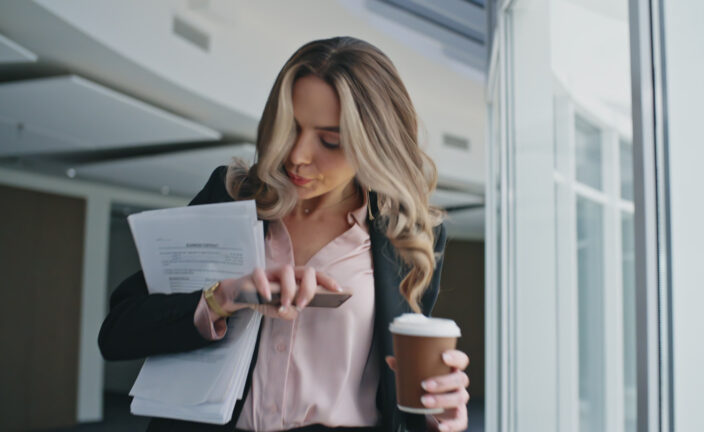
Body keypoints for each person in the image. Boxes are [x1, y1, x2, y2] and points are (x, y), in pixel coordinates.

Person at [99, 36, 470, 432]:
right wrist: (223, 298)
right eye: (289, 128)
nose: (297, 155)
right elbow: (119, 332)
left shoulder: (411, 236)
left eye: (329, 140)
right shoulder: (229, 196)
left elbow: (404, 389)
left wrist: (434, 415)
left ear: (375, 143)